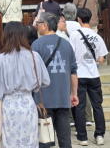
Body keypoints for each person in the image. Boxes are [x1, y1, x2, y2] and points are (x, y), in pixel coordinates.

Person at [0, 22, 50, 148]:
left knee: (10, 142)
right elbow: (45, 81)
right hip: (28, 104)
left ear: (6, 36)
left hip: (9, 106)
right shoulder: (34, 56)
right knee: (30, 142)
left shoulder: (0, 59)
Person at [32, 13, 78, 148]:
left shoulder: (36, 45)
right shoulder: (66, 44)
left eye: (38, 23)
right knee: (65, 138)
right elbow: (73, 72)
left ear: (45, 25)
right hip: (63, 97)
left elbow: (32, 72)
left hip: (43, 99)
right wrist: (74, 93)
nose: (37, 26)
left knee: (44, 139)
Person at [69, 8, 108, 146]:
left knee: (79, 106)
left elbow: (71, 55)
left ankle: (82, 137)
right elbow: (102, 59)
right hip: (94, 74)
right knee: (97, 105)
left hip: (79, 74)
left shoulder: (74, 35)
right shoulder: (97, 36)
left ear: (78, 19)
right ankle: (99, 135)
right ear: (90, 19)